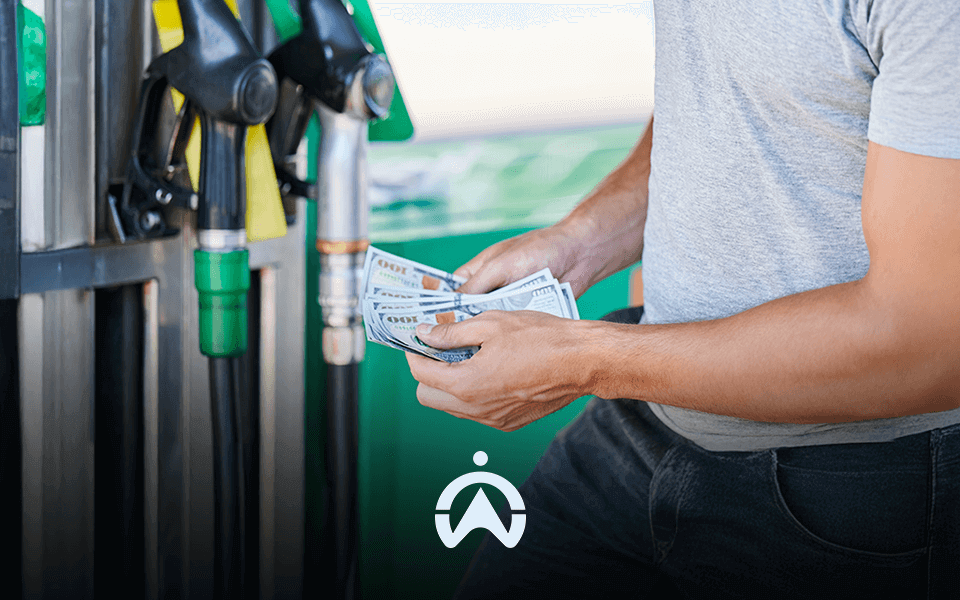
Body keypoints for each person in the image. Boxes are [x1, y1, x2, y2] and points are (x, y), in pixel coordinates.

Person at [404, 1, 960, 598]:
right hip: (640, 422)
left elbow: (927, 340)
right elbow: (723, 89)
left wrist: (586, 359)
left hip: (850, 487)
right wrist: (581, 243)